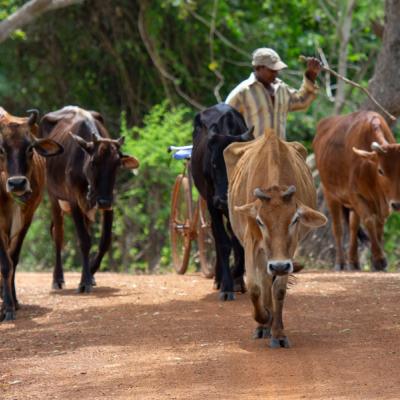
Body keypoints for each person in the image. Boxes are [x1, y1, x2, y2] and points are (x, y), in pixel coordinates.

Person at [226, 47, 321, 139]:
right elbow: (225, 121)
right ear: (258, 68)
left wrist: (311, 75)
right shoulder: (242, 92)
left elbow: (302, 101)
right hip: (253, 153)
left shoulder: (282, 89)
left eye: (277, 70)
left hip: (279, 152)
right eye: (271, 70)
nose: (275, 74)